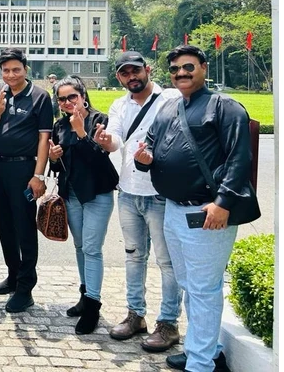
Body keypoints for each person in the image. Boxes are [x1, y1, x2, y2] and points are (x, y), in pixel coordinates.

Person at [134, 44, 258, 372]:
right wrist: (143, 161)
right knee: (190, 285)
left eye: (188, 67)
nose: (181, 74)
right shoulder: (168, 109)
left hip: (208, 213)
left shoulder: (224, 107)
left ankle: (200, 365)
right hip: (174, 211)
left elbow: (239, 159)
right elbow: (152, 151)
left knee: (203, 288)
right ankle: (206, 350)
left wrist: (223, 203)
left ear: (203, 67)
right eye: (175, 70)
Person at [92, 51, 182, 352]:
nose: (131, 76)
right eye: (124, 73)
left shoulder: (169, 98)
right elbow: (116, 137)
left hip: (161, 193)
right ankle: (135, 315)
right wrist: (106, 142)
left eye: (135, 71)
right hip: (129, 191)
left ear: (147, 69)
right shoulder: (120, 104)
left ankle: (168, 323)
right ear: (119, 77)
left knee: (167, 262)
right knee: (133, 256)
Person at [48, 75, 118, 334]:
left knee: (92, 248)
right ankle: (84, 292)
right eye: (62, 99)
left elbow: (101, 158)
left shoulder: (99, 120)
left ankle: (93, 305)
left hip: (98, 192)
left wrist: (81, 131)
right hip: (72, 194)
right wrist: (54, 158)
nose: (67, 102)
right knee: (79, 246)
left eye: (72, 97)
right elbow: (58, 166)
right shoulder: (59, 125)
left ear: (83, 95)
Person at [0, 48, 53, 312]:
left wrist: (38, 175)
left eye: (16, 69)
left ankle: (26, 287)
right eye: (6, 70)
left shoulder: (39, 97)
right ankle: (13, 275)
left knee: (24, 227)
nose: (11, 75)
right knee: (5, 225)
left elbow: (43, 139)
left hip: (24, 170)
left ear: (26, 69)